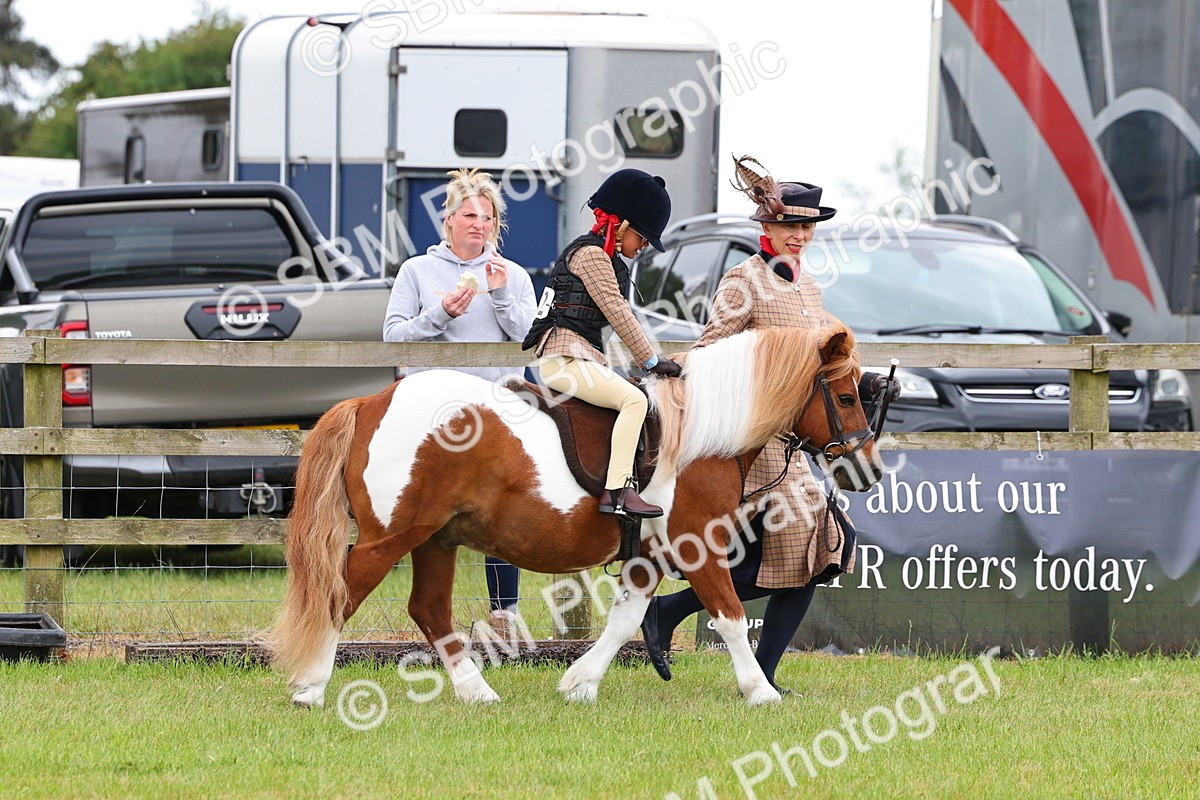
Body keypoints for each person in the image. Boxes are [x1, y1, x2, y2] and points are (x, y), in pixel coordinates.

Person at [640, 155, 865, 693]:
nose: (800, 236)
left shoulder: (809, 288)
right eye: (790, 225)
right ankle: (726, 653)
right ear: (767, 227)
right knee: (763, 551)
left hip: (790, 447)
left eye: (807, 226)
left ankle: (692, 628)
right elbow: (709, 349)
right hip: (746, 443)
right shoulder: (743, 281)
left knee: (822, 549)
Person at [383, 167, 536, 633]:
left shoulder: (513, 275)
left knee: (501, 509)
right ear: (448, 220)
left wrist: (503, 295)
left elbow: (530, 340)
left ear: (496, 225)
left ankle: (504, 614)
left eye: (486, 217)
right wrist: (440, 313)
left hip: (497, 412)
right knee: (428, 512)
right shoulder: (416, 271)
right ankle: (428, 609)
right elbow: (393, 338)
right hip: (434, 414)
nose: (478, 224)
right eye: (468, 215)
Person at [522, 168, 683, 518]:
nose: (641, 247)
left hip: (576, 359)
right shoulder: (592, 255)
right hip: (563, 361)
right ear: (622, 225)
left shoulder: (604, 256)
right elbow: (617, 310)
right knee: (634, 400)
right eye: (641, 237)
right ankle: (618, 492)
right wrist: (651, 361)